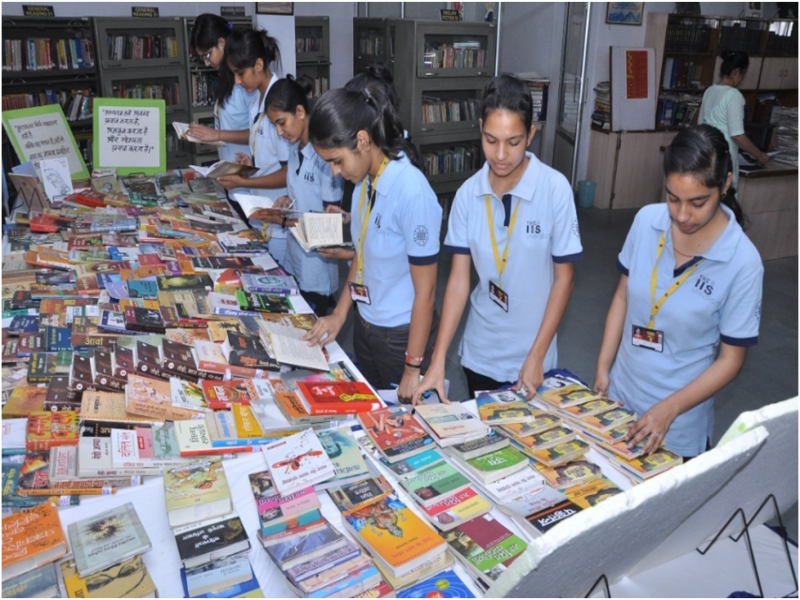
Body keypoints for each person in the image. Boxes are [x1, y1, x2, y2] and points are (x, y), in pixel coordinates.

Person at [594, 124, 763, 459]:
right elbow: (622, 297)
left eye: (698, 202)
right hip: (619, 403)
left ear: (725, 184)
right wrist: (603, 366)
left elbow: (730, 360)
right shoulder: (646, 221)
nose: (682, 215)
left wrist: (669, 409)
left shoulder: (743, 262)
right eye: (673, 199)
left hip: (677, 428)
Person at [413, 74, 582, 404]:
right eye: (491, 140)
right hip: (480, 354)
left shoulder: (555, 189)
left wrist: (536, 355)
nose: (501, 154)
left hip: (534, 358)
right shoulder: (467, 195)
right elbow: (458, 282)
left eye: (513, 142)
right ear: (480, 129)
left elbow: (565, 280)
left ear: (531, 134)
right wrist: (438, 359)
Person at [303, 84, 442, 402]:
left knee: (406, 421)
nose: (335, 172)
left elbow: (427, 291)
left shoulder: (411, 191)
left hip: (402, 338)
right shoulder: (365, 180)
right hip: (366, 326)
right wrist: (340, 315)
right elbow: (362, 256)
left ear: (363, 141)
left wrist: (412, 367)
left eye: (337, 161)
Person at [265, 75, 344, 316]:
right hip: (295, 259)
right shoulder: (294, 148)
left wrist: (283, 221)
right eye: (275, 126)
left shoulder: (325, 157)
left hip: (316, 269)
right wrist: (287, 201)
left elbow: (330, 227)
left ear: (300, 112)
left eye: (282, 123)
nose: (279, 132)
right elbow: (303, 195)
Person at [215, 29, 290, 264]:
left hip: (280, 218)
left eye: (240, 73)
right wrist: (251, 165)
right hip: (262, 211)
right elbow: (271, 159)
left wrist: (244, 181)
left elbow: (288, 173)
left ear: (259, 65)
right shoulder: (256, 99)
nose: (237, 81)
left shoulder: (280, 103)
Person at [320, 63, 400, 264]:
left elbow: (397, 256)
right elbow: (375, 223)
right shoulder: (363, 170)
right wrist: (350, 216)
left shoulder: (404, 184)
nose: (335, 171)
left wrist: (348, 254)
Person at [698, 50, 771, 189]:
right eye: (743, 75)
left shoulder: (709, 91)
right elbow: (737, 135)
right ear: (736, 72)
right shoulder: (733, 95)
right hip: (723, 162)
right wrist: (760, 156)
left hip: (705, 159)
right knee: (725, 199)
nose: (742, 79)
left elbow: (700, 126)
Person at [187, 14, 253, 164]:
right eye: (202, 58)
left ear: (222, 43)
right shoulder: (225, 78)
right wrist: (204, 134)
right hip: (232, 168)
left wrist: (216, 134)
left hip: (248, 170)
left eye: (207, 55)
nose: (206, 63)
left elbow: (260, 134)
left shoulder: (245, 81)